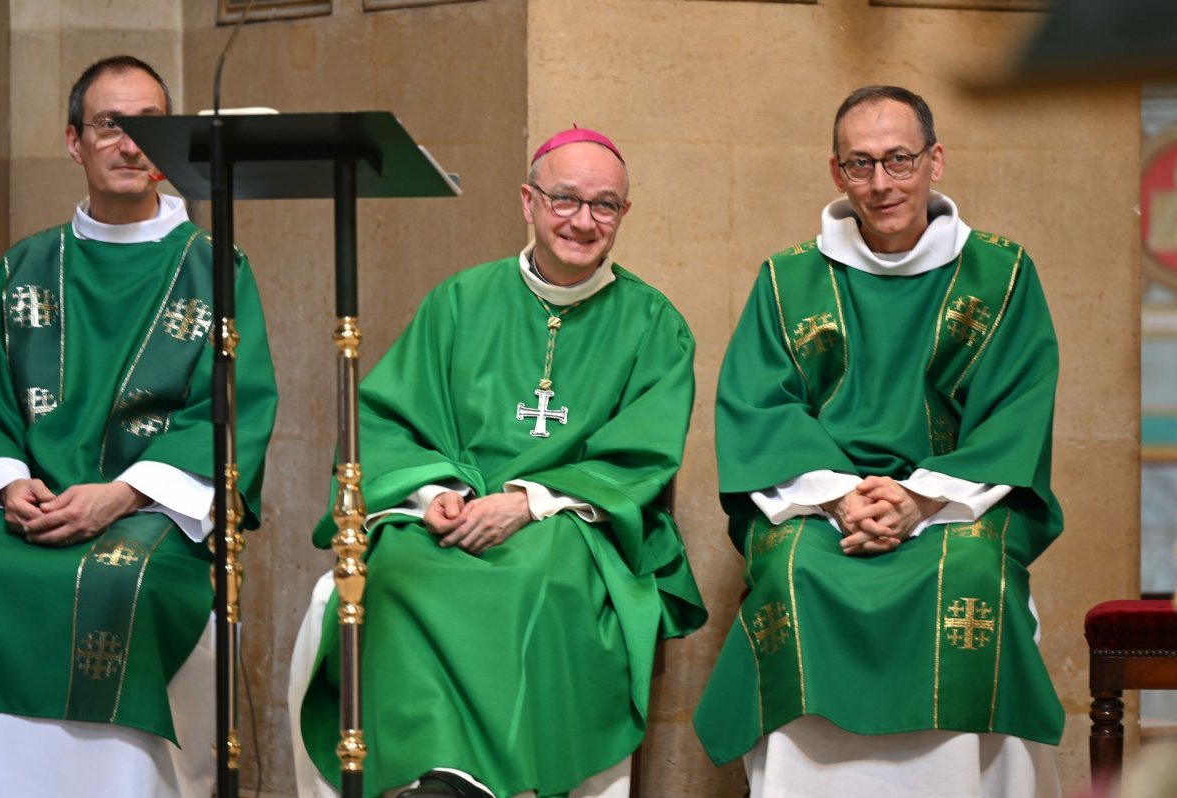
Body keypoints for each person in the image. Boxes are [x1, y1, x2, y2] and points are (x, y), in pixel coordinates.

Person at [290, 128, 706, 798]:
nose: (583, 220)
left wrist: (527, 502)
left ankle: (480, 782)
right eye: (565, 199)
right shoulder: (460, 302)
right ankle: (426, 769)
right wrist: (435, 494)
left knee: (535, 584)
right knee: (393, 574)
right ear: (528, 201)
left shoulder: (655, 325)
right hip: (452, 514)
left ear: (624, 214)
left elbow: (643, 454)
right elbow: (387, 420)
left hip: (573, 523)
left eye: (605, 206)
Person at [694, 86, 1065, 797]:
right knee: (792, 571)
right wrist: (840, 497)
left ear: (936, 160)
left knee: (969, 573)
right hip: (825, 506)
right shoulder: (788, 277)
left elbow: (1017, 410)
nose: (882, 183)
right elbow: (756, 406)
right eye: (860, 164)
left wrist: (921, 499)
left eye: (899, 160)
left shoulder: (1002, 272)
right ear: (836, 172)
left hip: (955, 502)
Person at [0, 55, 278, 797]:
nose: (131, 145)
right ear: (75, 141)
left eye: (150, 128)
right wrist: (10, 481)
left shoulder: (215, 268)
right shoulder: (24, 268)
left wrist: (120, 495)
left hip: (148, 514)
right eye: (111, 126)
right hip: (32, 505)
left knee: (120, 587)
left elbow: (232, 412)